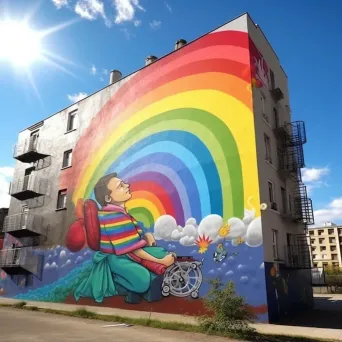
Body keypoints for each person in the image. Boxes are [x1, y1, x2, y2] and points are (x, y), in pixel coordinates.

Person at [74, 173, 175, 304]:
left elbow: (131, 240)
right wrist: (161, 261)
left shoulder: (119, 213)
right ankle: (114, 278)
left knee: (162, 253)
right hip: (118, 258)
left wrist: (147, 237)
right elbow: (133, 250)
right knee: (143, 279)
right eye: (120, 186)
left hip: (127, 254)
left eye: (124, 183)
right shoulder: (114, 217)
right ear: (108, 198)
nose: (127, 185)